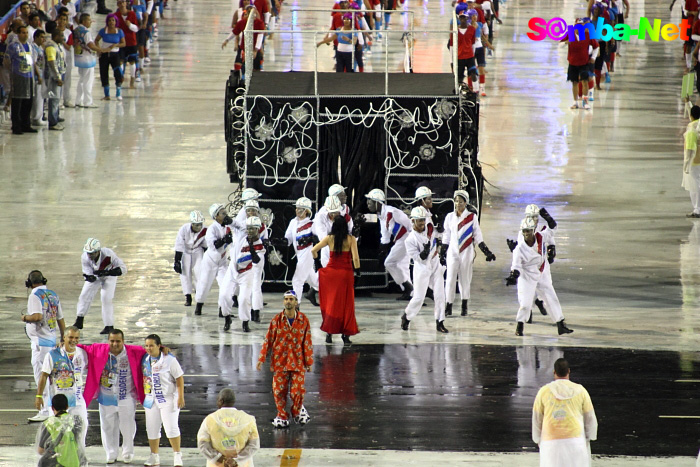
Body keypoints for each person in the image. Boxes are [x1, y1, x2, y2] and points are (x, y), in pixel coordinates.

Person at [78, 329, 147, 464]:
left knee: (128, 426)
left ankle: (127, 452)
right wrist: (63, 345)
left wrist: (163, 348)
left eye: (118, 341)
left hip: (126, 396)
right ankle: (110, 452)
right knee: (108, 426)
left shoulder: (133, 351)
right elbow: (81, 347)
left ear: (123, 341)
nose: (115, 344)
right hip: (106, 397)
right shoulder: (99, 350)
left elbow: (150, 350)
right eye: (112, 341)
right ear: (108, 341)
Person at [505, 216, 574, 337]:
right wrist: (513, 276)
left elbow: (552, 229)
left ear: (533, 230)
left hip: (540, 272)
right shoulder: (519, 249)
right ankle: (520, 325)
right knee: (525, 303)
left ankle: (560, 325)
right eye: (524, 231)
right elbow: (516, 266)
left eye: (529, 231)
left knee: (551, 297)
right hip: (526, 276)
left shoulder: (541, 237)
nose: (526, 233)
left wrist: (548, 217)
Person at [257, 291, 314, 428]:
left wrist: (309, 361)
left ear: (296, 302)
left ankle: (297, 411)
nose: (288, 301)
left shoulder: (303, 320)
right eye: (286, 299)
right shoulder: (276, 320)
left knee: (298, 391)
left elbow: (307, 341)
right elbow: (268, 339)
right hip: (280, 363)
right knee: (279, 392)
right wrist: (262, 357)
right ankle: (282, 416)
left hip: (298, 362)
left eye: (291, 299)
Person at [532, 358, 598, 467]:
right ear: (569, 371)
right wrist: (589, 436)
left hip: (551, 442)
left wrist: (538, 439)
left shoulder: (543, 392)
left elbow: (537, 418)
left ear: (554, 372)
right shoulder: (580, 391)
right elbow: (589, 417)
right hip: (575, 440)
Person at [442, 190, 496, 317]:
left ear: (465, 203)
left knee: (465, 279)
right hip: (453, 252)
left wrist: (486, 251)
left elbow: (478, 236)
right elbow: (446, 235)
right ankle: (448, 305)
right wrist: (442, 251)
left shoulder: (472, 217)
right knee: (449, 279)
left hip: (467, 252)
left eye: (460, 201)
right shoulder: (450, 217)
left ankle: (464, 305)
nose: (458, 204)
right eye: (456, 201)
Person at [36, 326, 89, 447]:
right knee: (57, 432)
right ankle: (56, 458)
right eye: (70, 337)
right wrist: (39, 395)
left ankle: (79, 455)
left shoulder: (82, 354)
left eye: (76, 338)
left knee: (82, 427)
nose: (73, 340)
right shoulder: (52, 355)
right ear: (64, 338)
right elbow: (43, 375)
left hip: (77, 399)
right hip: (58, 401)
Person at [24, 270, 65, 422]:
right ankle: (51, 409)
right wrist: (62, 337)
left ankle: (44, 410)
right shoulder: (53, 294)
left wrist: (24, 318)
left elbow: (37, 317)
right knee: (49, 377)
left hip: (40, 343)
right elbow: (60, 318)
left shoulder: (34, 295)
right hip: (51, 340)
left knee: (41, 375)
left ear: (29, 283)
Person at [312, 216, 360, 344]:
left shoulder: (329, 238)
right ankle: (346, 335)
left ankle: (329, 333)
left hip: (331, 274)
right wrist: (358, 271)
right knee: (346, 304)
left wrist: (318, 264)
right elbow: (355, 258)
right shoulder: (351, 239)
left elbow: (314, 250)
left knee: (331, 303)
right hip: (345, 274)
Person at [400, 206, 449, 333]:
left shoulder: (430, 228)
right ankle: (407, 316)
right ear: (413, 221)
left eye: (423, 219)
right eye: (419, 220)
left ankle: (440, 322)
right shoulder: (410, 240)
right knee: (419, 298)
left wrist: (442, 227)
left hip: (435, 264)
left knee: (440, 295)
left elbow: (440, 235)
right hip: (422, 268)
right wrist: (425, 252)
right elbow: (418, 258)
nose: (422, 223)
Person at [142, 334, 185, 467]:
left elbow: (179, 378)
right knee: (152, 428)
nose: (148, 348)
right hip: (150, 399)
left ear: (159, 346)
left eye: (152, 345)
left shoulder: (170, 360)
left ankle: (177, 455)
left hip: (168, 398)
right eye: (147, 345)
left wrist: (181, 397)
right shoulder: (144, 358)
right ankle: (154, 456)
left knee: (171, 428)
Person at [365, 188, 413, 300]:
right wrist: (382, 250)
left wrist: (413, 242)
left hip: (406, 239)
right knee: (402, 266)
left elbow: (409, 225)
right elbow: (385, 236)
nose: (367, 203)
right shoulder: (381, 216)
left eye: (369, 201)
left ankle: (407, 287)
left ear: (377, 202)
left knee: (389, 263)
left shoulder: (392, 212)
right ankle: (410, 294)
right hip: (400, 240)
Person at [74, 238, 127, 334]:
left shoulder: (108, 254)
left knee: (106, 298)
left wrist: (108, 272)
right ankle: (79, 320)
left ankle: (109, 325)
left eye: (92, 253)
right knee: (84, 295)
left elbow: (123, 269)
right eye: (88, 253)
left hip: (110, 276)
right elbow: (87, 272)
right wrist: (90, 277)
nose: (90, 255)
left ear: (98, 251)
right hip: (96, 275)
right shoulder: (84, 257)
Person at [197, 388, 260, 467]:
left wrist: (219, 458)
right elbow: (254, 445)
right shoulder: (248, 419)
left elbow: (202, 444)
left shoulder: (209, 419)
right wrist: (237, 460)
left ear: (221, 401)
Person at [226, 216, 266, 332]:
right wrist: (230, 221)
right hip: (233, 271)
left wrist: (252, 247)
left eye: (253, 229)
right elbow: (236, 225)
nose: (249, 231)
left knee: (244, 299)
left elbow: (256, 261)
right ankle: (226, 317)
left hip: (247, 273)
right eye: (248, 229)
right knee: (224, 295)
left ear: (258, 230)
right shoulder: (240, 237)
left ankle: (245, 322)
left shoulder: (260, 246)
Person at [195, 203, 234, 315]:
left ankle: (222, 310)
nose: (225, 214)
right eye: (222, 213)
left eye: (225, 212)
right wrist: (225, 239)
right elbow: (213, 245)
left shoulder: (227, 227)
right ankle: (199, 306)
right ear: (216, 216)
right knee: (204, 284)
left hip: (222, 261)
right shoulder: (212, 229)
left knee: (225, 285)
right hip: (210, 261)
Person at [284, 197, 320, 306]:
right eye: (297, 208)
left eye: (301, 209)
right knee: (315, 282)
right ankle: (330, 289)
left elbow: (319, 239)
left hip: (308, 254)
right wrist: (280, 242)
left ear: (307, 211)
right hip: (299, 254)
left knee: (297, 280)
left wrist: (310, 238)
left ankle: (296, 306)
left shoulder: (312, 224)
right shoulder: (293, 222)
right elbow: (288, 239)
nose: (298, 211)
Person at [35, 394, 88, 467]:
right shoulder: (77, 421)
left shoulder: (49, 423)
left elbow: (40, 450)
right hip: (76, 463)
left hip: (57, 464)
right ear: (67, 406)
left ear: (52, 408)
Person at [6, 24, 36, 135]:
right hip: (18, 76)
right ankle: (16, 126)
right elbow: (7, 61)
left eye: (26, 32)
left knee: (28, 102)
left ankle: (26, 124)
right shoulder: (13, 46)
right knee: (17, 102)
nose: (25, 34)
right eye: (23, 32)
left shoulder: (31, 46)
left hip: (29, 76)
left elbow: (34, 61)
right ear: (18, 34)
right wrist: (12, 73)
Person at [561, 19, 598, 110]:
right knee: (574, 83)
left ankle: (585, 102)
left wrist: (593, 57)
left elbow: (596, 46)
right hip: (573, 63)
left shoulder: (586, 35)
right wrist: (566, 42)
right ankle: (575, 102)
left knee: (585, 82)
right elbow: (560, 45)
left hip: (584, 63)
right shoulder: (570, 34)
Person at [174, 210, 208, 306]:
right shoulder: (184, 229)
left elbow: (206, 245)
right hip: (186, 251)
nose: (198, 227)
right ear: (191, 224)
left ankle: (199, 295)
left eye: (200, 224)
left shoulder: (205, 230)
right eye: (196, 225)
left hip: (198, 251)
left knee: (199, 272)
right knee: (185, 273)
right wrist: (177, 260)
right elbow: (179, 244)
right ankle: (188, 296)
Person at [313, 192, 354, 267]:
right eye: (332, 213)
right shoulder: (320, 217)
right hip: (327, 250)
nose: (334, 215)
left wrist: (355, 232)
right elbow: (322, 237)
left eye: (336, 212)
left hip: (343, 250)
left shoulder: (346, 218)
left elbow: (352, 237)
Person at [95, 14, 126, 101]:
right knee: (104, 73)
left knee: (117, 73)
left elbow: (124, 43)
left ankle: (118, 93)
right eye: (109, 20)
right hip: (104, 54)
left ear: (116, 22)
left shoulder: (119, 31)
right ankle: (107, 94)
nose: (111, 22)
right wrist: (99, 49)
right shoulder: (103, 31)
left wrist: (116, 45)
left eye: (113, 20)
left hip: (115, 55)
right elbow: (96, 40)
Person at [73, 13, 101, 108]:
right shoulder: (86, 32)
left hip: (79, 57)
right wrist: (100, 50)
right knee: (88, 80)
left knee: (81, 79)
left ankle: (78, 100)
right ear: (84, 21)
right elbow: (90, 45)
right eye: (89, 20)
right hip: (87, 59)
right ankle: (88, 101)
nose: (90, 22)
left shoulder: (76, 30)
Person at [44, 28, 66, 131]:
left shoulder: (57, 46)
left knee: (57, 99)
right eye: (61, 36)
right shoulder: (51, 47)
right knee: (53, 99)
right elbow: (52, 63)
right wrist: (57, 77)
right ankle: (52, 122)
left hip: (58, 76)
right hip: (52, 78)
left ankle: (56, 117)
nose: (63, 38)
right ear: (56, 36)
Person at [447, 13, 477, 88]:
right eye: (461, 18)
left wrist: (474, 56)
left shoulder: (472, 29)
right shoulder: (455, 32)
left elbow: (473, 44)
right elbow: (451, 46)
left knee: (473, 75)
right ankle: (458, 92)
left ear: (467, 19)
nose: (463, 20)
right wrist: (451, 61)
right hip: (459, 57)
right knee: (459, 78)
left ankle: (475, 91)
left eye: (464, 18)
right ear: (459, 19)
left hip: (470, 56)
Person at [115, 0, 140, 87]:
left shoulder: (132, 14)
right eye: (119, 3)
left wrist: (130, 25)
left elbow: (136, 29)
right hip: (121, 43)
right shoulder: (115, 16)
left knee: (132, 61)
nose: (121, 4)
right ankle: (121, 78)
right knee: (121, 61)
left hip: (131, 42)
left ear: (126, 3)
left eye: (123, 2)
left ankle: (132, 80)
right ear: (117, 4)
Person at [684, 105, 700, 218]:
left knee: (694, 185)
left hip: (694, 161)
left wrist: (686, 164)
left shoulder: (691, 128)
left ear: (691, 116)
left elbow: (689, 148)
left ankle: (697, 209)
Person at [30, 29, 47, 127]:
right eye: (41, 37)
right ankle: (36, 118)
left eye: (44, 37)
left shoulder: (40, 48)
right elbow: (34, 63)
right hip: (37, 77)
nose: (43, 39)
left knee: (41, 97)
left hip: (41, 75)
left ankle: (39, 116)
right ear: (35, 37)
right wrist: (39, 75)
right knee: (37, 98)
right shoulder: (33, 48)